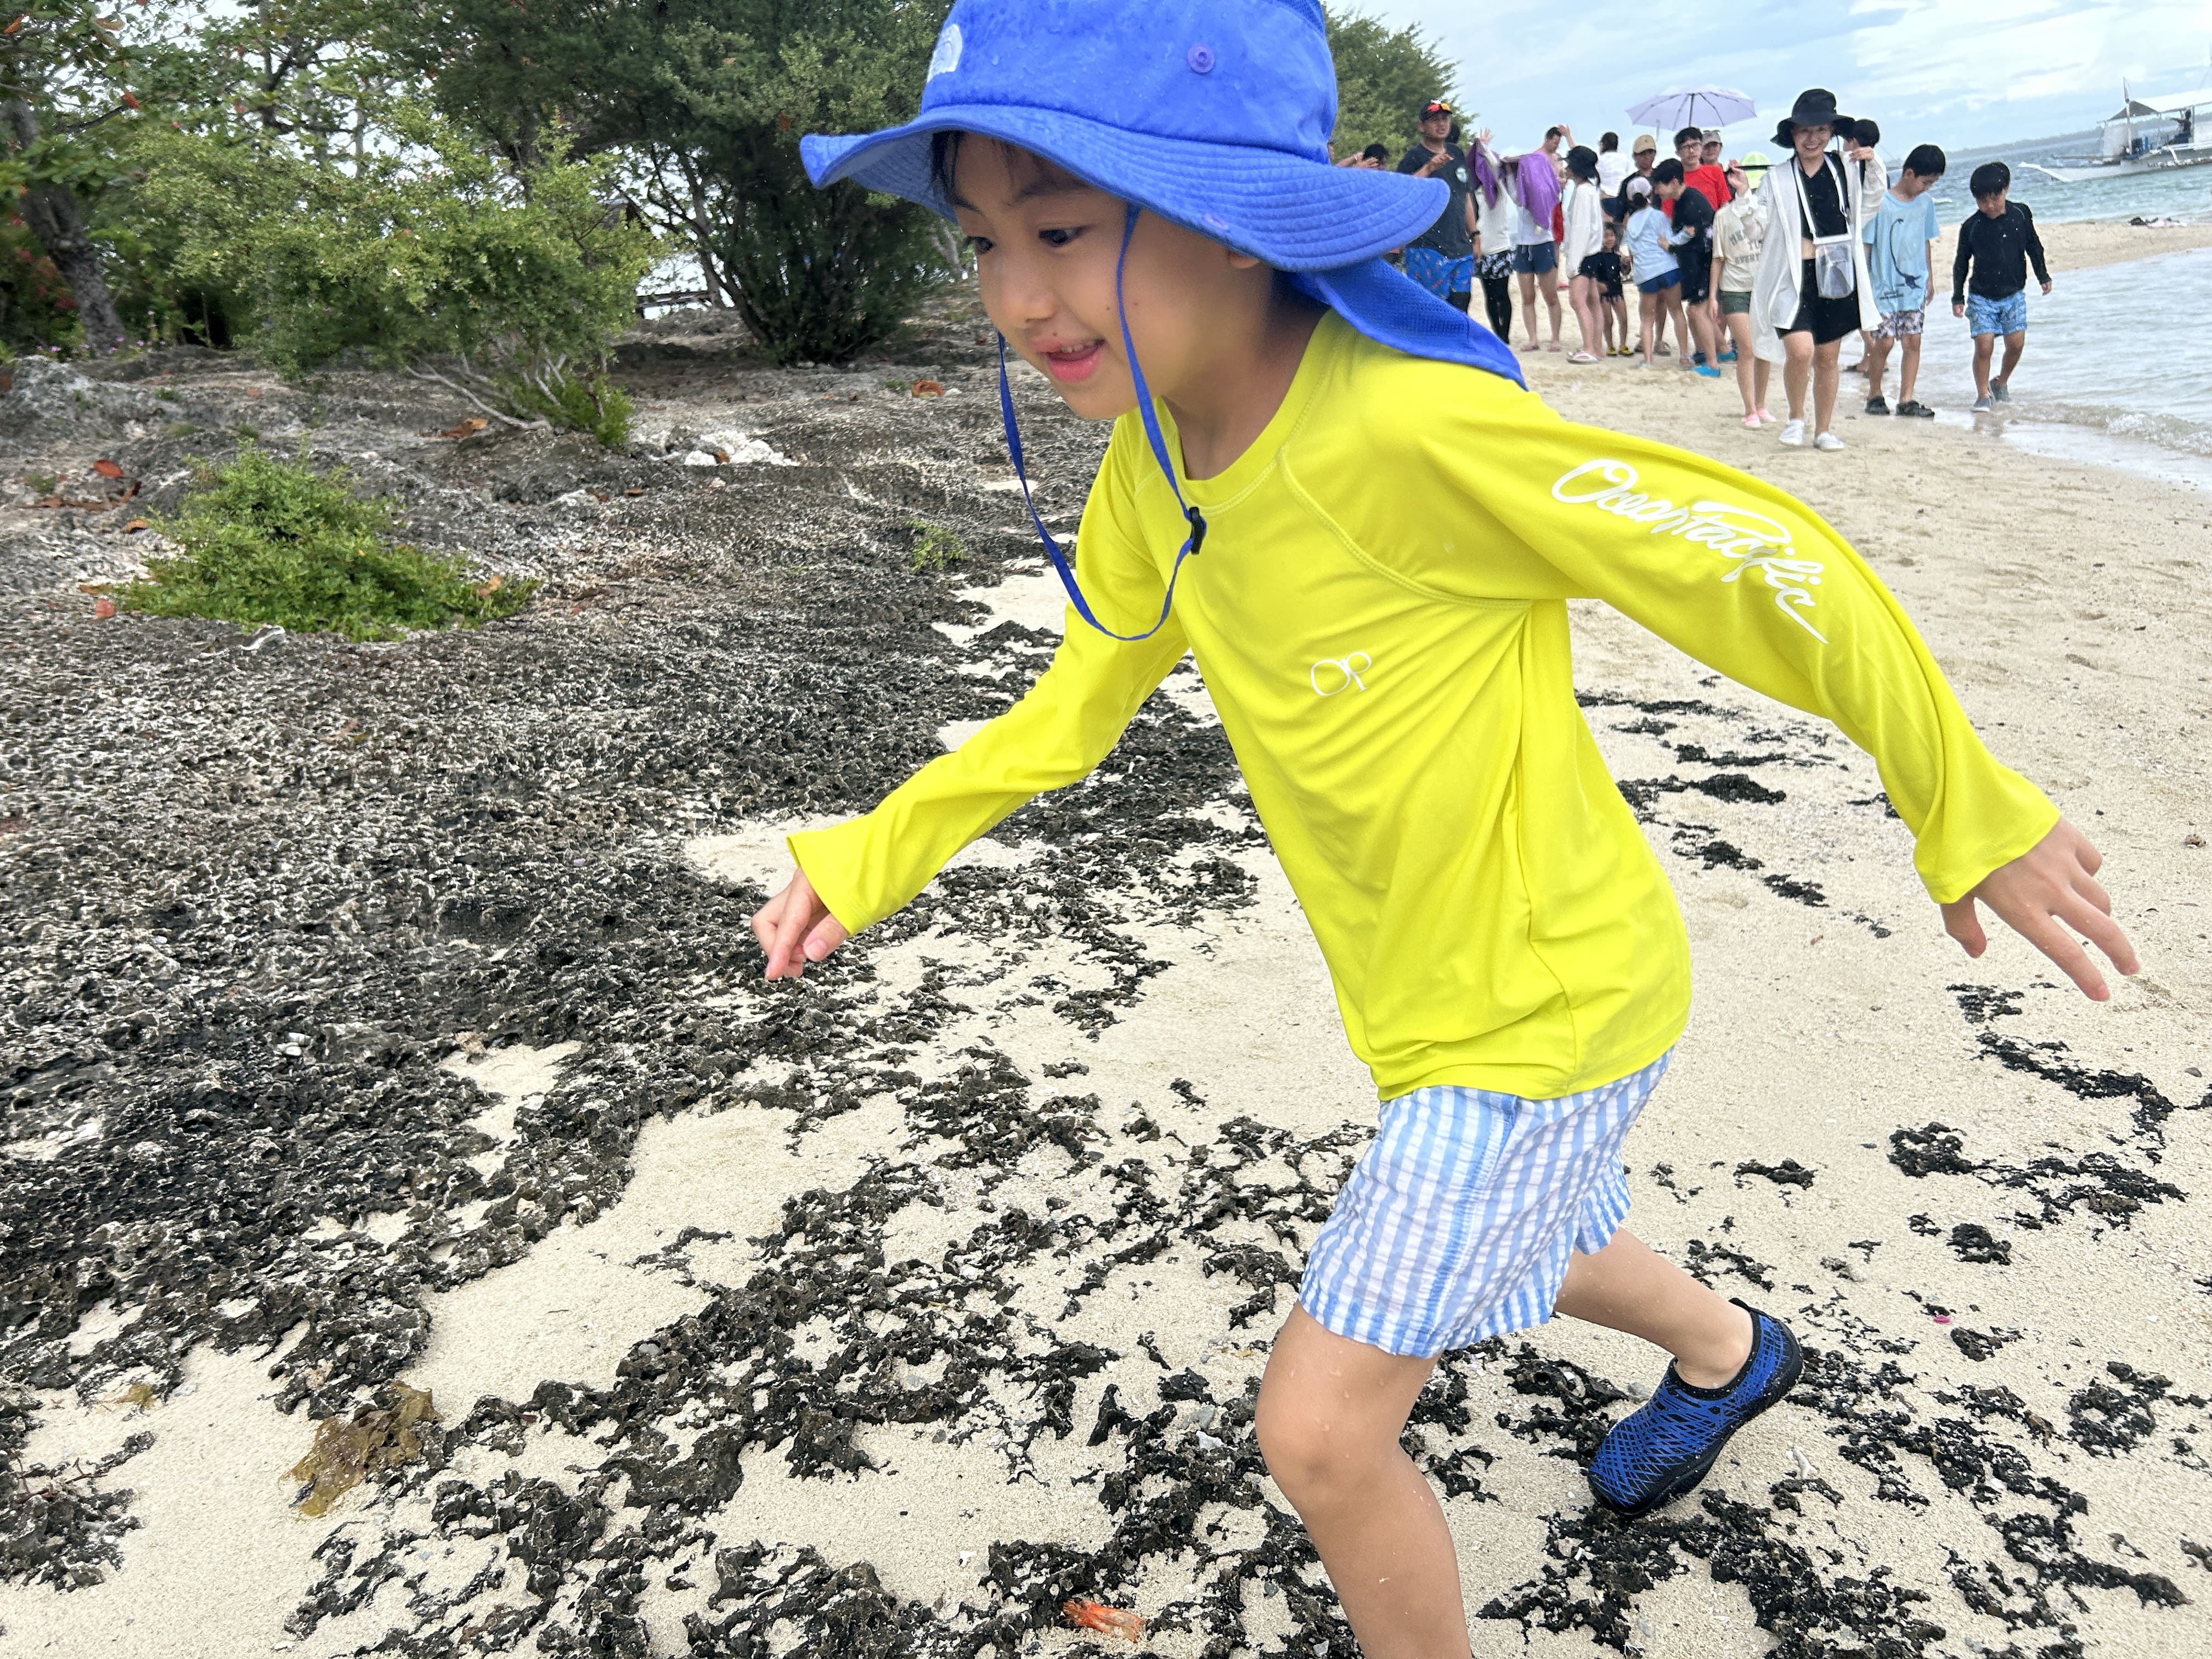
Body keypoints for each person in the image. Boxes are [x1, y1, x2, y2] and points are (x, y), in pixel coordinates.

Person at [780, 12, 2136, 1653]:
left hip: (1544, 1008)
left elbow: (1761, 560)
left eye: (1062, 231)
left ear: (1235, 217)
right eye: (985, 242)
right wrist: (872, 854)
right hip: (1428, 1006)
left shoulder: (1407, 429)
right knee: (1545, 1236)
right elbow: (1077, 704)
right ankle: (1731, 1356)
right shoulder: (1154, 461)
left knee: (1321, 1434)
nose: (1017, 298)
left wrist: (1965, 803)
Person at [1750, 88, 1881, 450]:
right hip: (1793, 277)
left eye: (1821, 130)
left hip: (1836, 273)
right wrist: (1745, 200)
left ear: (1832, 132)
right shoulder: (1777, 178)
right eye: (1805, 131)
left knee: (1827, 358)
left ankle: (1823, 430)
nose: (1813, 139)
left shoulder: (1846, 169)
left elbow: (1871, 204)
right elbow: (1758, 228)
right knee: (1801, 351)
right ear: (1792, 134)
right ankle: (1796, 418)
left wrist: (1873, 164)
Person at [1951, 160, 2052, 412]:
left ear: (2006, 189)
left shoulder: (2021, 214)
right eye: (1982, 201)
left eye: (1995, 199)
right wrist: (1958, 297)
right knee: (1984, 346)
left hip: (2014, 294)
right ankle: (1982, 395)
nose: (1989, 206)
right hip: (1982, 297)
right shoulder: (1971, 227)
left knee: (2016, 345)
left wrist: (2043, 275)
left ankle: (2000, 382)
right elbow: (1961, 263)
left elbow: (2034, 246)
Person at [1862, 143, 1945, 417]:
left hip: (1915, 287)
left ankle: (1906, 399)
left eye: (1932, 183)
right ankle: (1875, 394)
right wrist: (1864, 285)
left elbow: (1925, 241)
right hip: (1883, 287)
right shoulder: (1880, 203)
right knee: (1884, 342)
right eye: (1925, 182)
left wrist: (1930, 278)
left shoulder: (1926, 204)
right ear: (1909, 174)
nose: (1927, 188)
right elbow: (1867, 245)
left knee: (1913, 342)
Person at [1397, 100, 1479, 314]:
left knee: (1461, 305)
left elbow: (1465, 196)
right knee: (1432, 310)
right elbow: (1402, 194)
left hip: (1460, 246)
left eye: (1445, 119)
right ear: (1422, 126)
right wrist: (1429, 168)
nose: (1441, 124)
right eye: (1435, 120)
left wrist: (1475, 234)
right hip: (1427, 247)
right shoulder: (1413, 158)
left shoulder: (1456, 153)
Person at [1711, 157, 1774, 424]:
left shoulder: (1766, 212)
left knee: (1764, 350)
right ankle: (1749, 410)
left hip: (1764, 288)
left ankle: (1761, 405)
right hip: (1735, 288)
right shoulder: (1723, 216)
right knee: (1747, 348)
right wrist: (1713, 297)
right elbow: (1718, 258)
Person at [1653, 160, 1720, 374]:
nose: (1657, 191)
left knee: (1697, 311)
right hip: (1696, 264)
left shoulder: (1691, 201)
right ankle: (1719, 350)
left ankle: (1712, 364)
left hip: (1703, 264)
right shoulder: (1684, 200)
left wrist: (1669, 246)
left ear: (1674, 182)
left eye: (1659, 186)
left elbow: (1690, 237)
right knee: (1695, 310)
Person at [1624, 176, 1691, 366]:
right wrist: (1686, 234)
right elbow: (1669, 241)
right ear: (1651, 194)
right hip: (1667, 267)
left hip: (1645, 273)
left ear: (1631, 200)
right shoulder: (1659, 216)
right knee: (1677, 312)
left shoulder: (1630, 223)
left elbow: (1633, 250)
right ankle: (1684, 355)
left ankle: (1647, 360)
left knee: (1646, 319)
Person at [1503, 143, 1564, 351]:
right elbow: (1509, 184)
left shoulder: (1546, 189)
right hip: (1523, 246)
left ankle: (1555, 338)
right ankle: (1533, 339)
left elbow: (1553, 188)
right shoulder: (1520, 194)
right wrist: (1510, 167)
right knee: (1528, 297)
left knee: (1551, 296)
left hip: (1544, 244)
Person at [1561, 145, 1607, 363]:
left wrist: (1573, 264)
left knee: (1578, 300)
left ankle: (1590, 348)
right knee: (1593, 300)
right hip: (1593, 252)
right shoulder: (1590, 189)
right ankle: (1596, 347)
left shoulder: (1582, 192)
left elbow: (1581, 229)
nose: (1567, 167)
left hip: (1584, 254)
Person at [1471, 131, 1517, 342]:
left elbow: (1496, 166)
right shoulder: (1473, 192)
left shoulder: (1498, 190)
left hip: (1501, 248)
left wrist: (1484, 147)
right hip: (1483, 250)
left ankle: (1505, 335)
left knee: (1502, 294)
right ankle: (1498, 335)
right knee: (1489, 297)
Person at [1592, 219, 1630, 354]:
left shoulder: (1618, 255)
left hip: (1617, 290)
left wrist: (1626, 265)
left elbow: (1625, 273)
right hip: (1604, 293)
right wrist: (1598, 285)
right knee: (1608, 320)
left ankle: (1623, 345)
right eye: (1606, 236)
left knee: (1624, 319)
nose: (1609, 239)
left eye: (1612, 236)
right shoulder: (1597, 257)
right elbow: (1592, 275)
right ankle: (1610, 345)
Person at [1596, 130, 1630, 195]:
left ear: (1603, 145)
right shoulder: (1624, 159)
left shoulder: (1600, 161)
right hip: (1621, 196)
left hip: (1605, 197)